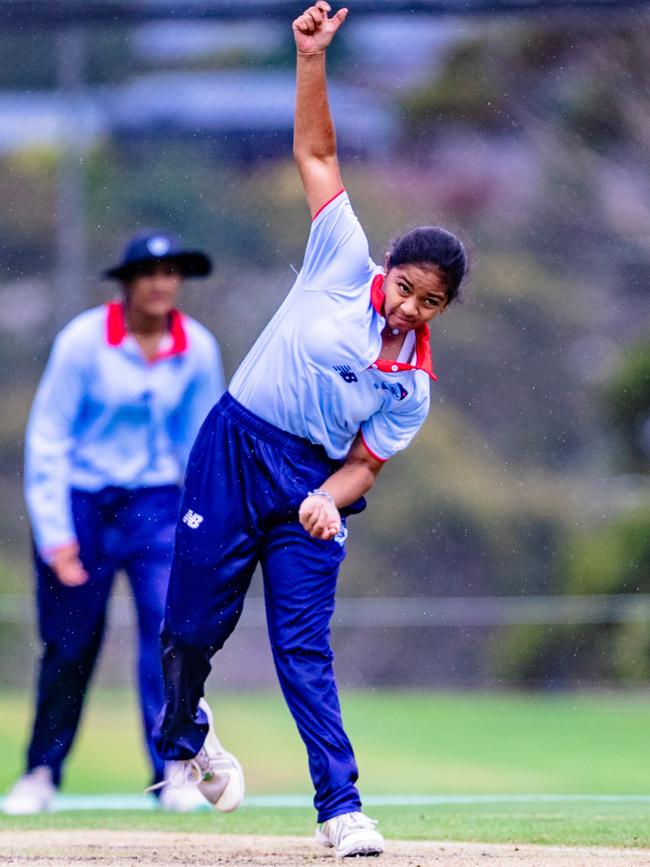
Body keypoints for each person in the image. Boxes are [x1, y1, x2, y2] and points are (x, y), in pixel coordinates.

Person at [152, 2, 467, 857]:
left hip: (307, 486)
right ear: (388, 268)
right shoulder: (340, 256)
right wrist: (311, 58)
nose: (408, 306)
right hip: (233, 444)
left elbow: (367, 464)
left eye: (428, 301)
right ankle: (186, 737)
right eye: (405, 285)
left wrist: (327, 499)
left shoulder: (412, 385)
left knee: (302, 650)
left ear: (442, 308)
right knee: (185, 632)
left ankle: (342, 809)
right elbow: (318, 153)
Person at [3, 231, 225, 815]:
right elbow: (48, 438)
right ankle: (41, 773)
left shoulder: (196, 349)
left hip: (156, 506)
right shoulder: (82, 342)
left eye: (171, 272)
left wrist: (207, 527)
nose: (161, 283)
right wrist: (56, 536)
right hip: (82, 504)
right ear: (127, 283)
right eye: (149, 273)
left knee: (170, 635)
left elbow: (202, 446)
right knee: (70, 644)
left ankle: (174, 770)